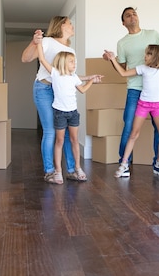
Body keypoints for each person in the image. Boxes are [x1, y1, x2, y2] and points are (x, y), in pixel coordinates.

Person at [21, 16, 101, 183]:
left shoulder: (71, 51)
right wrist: (35, 42)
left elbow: (68, 76)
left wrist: (89, 78)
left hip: (61, 94)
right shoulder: (48, 41)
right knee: (51, 131)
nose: (72, 26)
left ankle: (72, 170)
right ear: (60, 25)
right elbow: (26, 58)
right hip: (44, 89)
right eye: (69, 23)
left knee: (64, 135)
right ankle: (50, 171)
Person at [102, 7, 159, 174]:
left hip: (157, 95)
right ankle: (124, 163)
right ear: (123, 23)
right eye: (128, 15)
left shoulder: (153, 34)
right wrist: (111, 59)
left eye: (134, 13)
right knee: (129, 128)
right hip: (135, 91)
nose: (132, 16)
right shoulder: (122, 43)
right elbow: (121, 70)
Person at [35, 35, 97, 184]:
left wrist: (92, 80)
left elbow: (82, 90)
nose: (74, 64)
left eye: (74, 61)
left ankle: (77, 167)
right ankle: (58, 171)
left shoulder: (74, 77)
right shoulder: (55, 74)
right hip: (60, 114)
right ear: (63, 62)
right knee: (60, 141)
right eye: (71, 61)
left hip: (73, 113)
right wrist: (38, 44)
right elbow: (42, 60)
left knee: (74, 140)